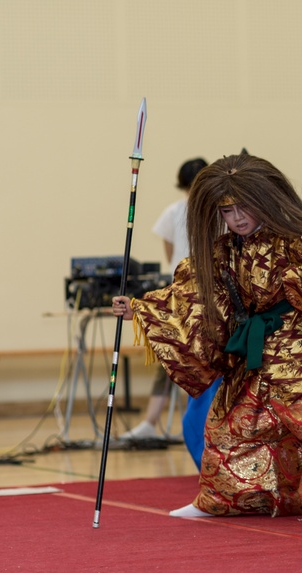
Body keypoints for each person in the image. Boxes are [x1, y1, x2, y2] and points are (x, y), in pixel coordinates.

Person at [111, 153, 302, 523]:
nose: (237, 217)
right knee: (228, 429)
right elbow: (193, 294)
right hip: (255, 359)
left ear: (266, 202)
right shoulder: (223, 252)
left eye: (245, 207)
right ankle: (226, 497)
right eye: (227, 211)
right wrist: (141, 310)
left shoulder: (300, 240)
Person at [121, 158, 209, 443]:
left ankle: (190, 421)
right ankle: (151, 420)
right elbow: (171, 255)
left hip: (205, 292)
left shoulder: (212, 211)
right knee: (169, 352)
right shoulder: (174, 212)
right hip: (181, 292)